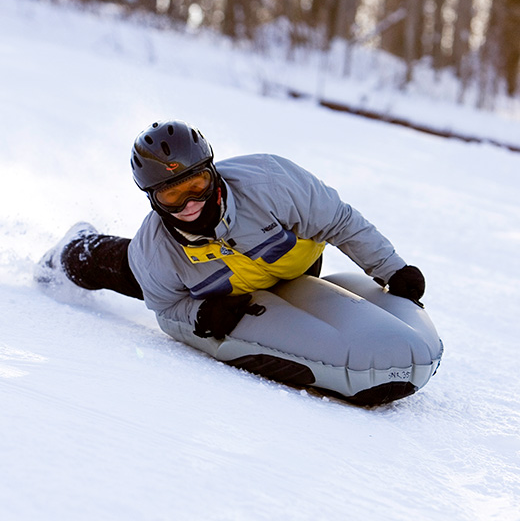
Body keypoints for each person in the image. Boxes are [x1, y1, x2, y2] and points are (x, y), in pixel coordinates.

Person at [36, 120, 437, 405]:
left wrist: (392, 270)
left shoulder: (271, 182)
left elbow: (340, 221)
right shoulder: (155, 249)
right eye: (173, 198)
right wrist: (201, 314)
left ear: (212, 172)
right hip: (213, 289)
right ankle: (74, 248)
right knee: (122, 268)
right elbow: (165, 308)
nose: (190, 204)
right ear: (153, 198)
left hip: (290, 269)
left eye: (196, 186)